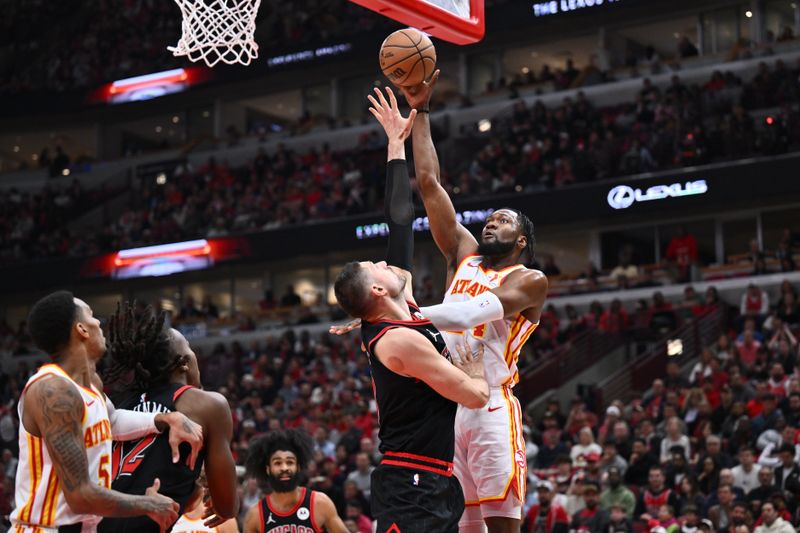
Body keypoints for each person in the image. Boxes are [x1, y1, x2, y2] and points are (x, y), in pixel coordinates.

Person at [332, 86, 491, 532]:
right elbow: (474, 395)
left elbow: (399, 222)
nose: (384, 260)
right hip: (411, 482)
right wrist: (477, 364)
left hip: (430, 477)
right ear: (379, 290)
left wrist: (395, 145)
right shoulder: (400, 339)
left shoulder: (401, 309)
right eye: (376, 265)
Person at [400, 70, 548, 533]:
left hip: (490, 405)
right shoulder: (463, 254)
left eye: (502, 222)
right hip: (448, 404)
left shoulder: (529, 280)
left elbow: (468, 313)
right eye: (488, 219)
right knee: (464, 527)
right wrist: (420, 110)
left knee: (502, 524)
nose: (489, 224)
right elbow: (428, 183)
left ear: (521, 239)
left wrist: (405, 315)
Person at [11, 291, 203, 532]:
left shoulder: (92, 385)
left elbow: (111, 421)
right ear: (81, 329)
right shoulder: (53, 390)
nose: (99, 322)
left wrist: (164, 418)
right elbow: (80, 495)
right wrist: (148, 504)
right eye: (91, 316)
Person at [98, 301, 239, 533]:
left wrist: (191, 488)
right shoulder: (207, 404)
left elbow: (188, 497)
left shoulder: (116, 404)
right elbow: (226, 507)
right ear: (183, 363)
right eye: (191, 348)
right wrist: (216, 491)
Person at [242, 430, 346, 533]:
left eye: (290, 462)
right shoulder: (255, 515)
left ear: (298, 467)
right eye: (277, 463)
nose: (284, 468)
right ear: (268, 469)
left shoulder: (320, 502)